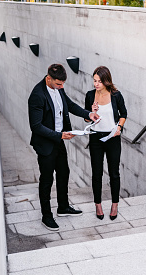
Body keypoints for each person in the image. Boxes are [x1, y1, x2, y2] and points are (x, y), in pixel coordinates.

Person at [28, 64, 99, 231]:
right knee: (46, 180)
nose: (61, 87)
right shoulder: (37, 95)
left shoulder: (59, 89)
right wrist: (59, 135)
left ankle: (63, 207)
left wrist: (88, 114)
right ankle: (46, 216)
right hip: (46, 143)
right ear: (48, 79)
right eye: (58, 84)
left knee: (63, 173)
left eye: (63, 84)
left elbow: (70, 105)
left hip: (59, 140)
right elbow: (36, 126)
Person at [85, 66, 127, 220]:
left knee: (114, 173)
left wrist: (119, 128)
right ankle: (98, 205)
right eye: (95, 81)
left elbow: (124, 113)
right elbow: (86, 118)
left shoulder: (116, 95)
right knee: (96, 173)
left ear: (106, 81)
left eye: (99, 81)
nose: (96, 84)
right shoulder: (90, 95)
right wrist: (92, 113)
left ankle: (115, 205)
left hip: (112, 137)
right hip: (96, 138)